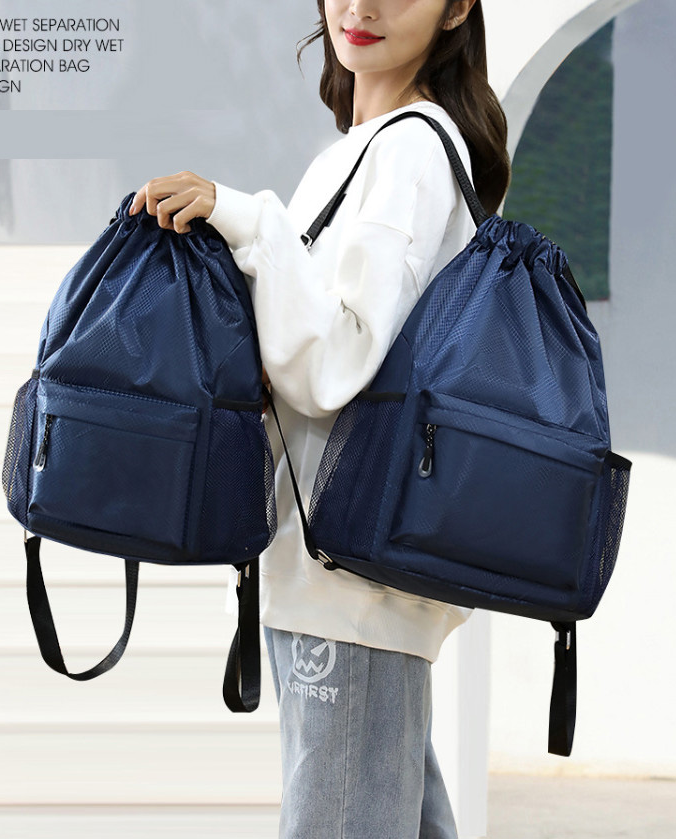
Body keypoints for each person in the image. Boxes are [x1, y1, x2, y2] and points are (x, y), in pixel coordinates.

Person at [129, 1, 510, 836]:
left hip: (346, 575)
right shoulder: (361, 151)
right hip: (332, 570)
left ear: (456, 8)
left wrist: (244, 214)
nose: (361, 6)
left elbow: (333, 363)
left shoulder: (410, 149)